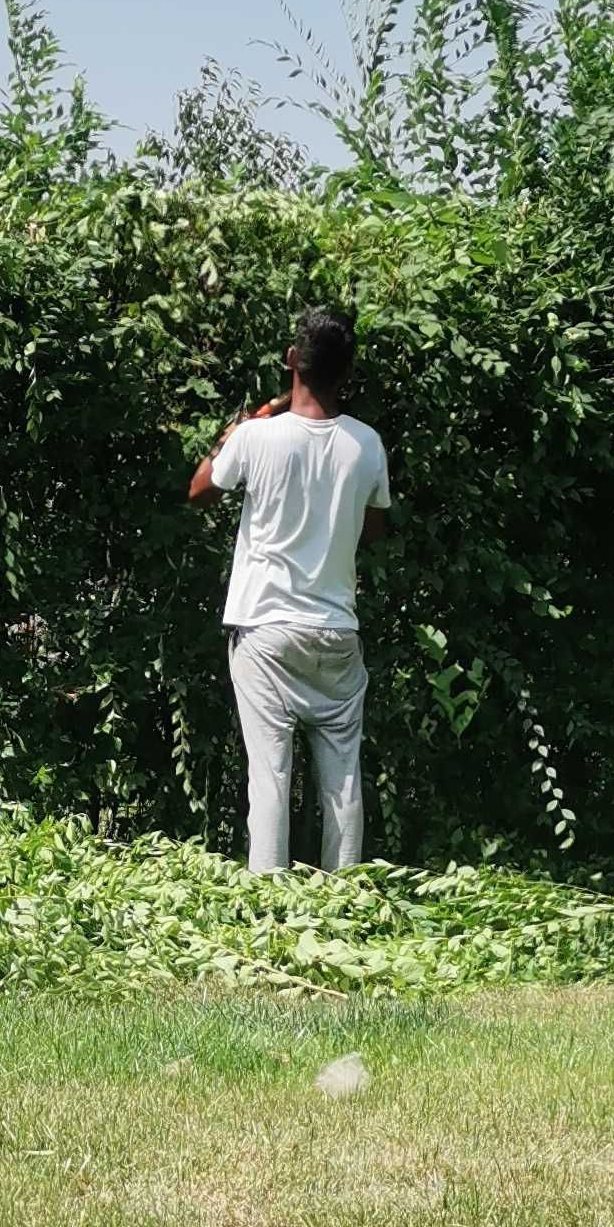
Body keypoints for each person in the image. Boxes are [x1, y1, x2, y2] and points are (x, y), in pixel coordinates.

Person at [187, 304, 392, 873]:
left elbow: (200, 490)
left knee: (270, 777)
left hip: (265, 631)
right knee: (343, 778)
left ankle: (270, 905)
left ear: (291, 361)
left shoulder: (258, 438)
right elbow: (373, 529)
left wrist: (235, 433)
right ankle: (344, 895)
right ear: (346, 374)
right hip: (336, 633)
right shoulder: (367, 444)